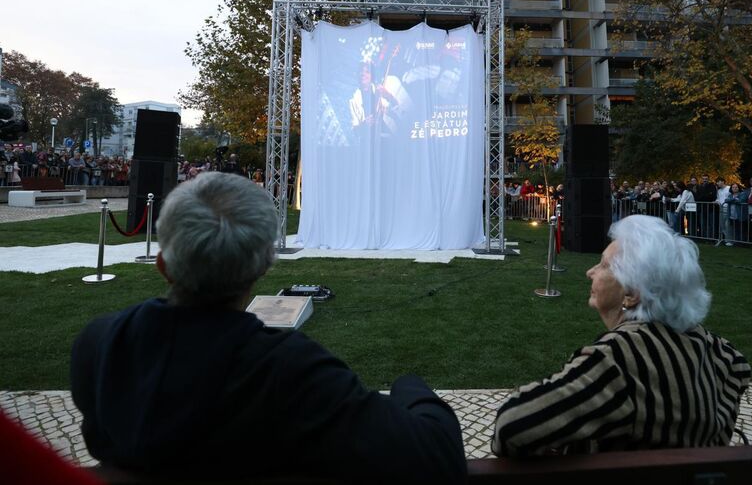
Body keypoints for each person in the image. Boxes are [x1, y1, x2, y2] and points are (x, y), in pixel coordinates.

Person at [70, 173, 466, 482]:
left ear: (163, 265)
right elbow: (436, 457)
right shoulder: (293, 373)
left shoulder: (99, 345)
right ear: (262, 267)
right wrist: (410, 386)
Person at [492, 215, 750, 456]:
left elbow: (511, 427)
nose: (590, 272)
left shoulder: (618, 360)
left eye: (604, 265)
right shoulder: (725, 357)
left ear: (631, 294)